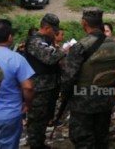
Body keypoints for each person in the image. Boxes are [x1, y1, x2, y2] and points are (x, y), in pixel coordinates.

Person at [61, 7, 115, 148]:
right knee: (102, 136)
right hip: (106, 98)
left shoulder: (80, 47)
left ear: (84, 23)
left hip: (84, 102)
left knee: (82, 139)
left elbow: (68, 77)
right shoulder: (113, 44)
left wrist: (65, 96)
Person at [0, 19, 35, 149]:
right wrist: (27, 103)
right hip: (8, 114)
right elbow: (28, 87)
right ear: (9, 37)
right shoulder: (16, 58)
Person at [24, 13, 66, 149]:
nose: (55, 33)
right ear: (47, 27)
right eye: (54, 31)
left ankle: (40, 143)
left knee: (45, 117)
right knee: (37, 119)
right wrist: (64, 50)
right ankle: (35, 144)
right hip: (39, 88)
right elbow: (49, 58)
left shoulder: (45, 40)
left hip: (49, 86)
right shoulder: (35, 41)